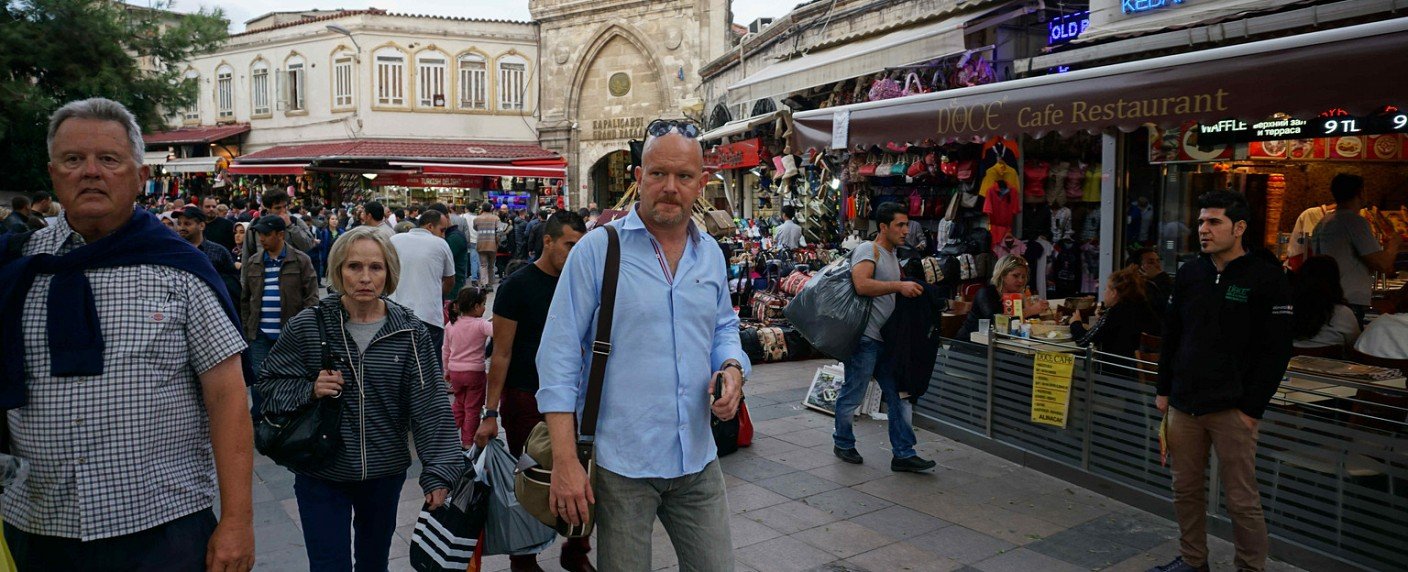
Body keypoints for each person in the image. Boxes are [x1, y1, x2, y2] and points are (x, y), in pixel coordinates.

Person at [0, 97, 253, 569]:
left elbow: (227, 397)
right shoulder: (16, 267)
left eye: (109, 159)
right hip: (35, 524)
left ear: (139, 177)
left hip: (161, 526)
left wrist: (237, 521)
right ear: (53, 174)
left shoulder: (182, 270)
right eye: (74, 160)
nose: (90, 172)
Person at [536, 121, 748, 570]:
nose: (670, 188)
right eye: (658, 174)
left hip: (698, 458)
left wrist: (731, 366)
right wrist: (566, 461)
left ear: (701, 182)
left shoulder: (709, 252)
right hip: (621, 465)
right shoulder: (597, 250)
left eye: (684, 176)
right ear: (638, 177)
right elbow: (555, 359)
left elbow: (724, 327)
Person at [257, 226, 461, 572]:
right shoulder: (309, 326)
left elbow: (430, 405)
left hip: (384, 473)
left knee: (373, 563)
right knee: (328, 565)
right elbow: (268, 387)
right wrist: (310, 388)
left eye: (375, 267)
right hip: (321, 470)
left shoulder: (410, 332)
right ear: (338, 271)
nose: (365, 277)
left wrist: (439, 471)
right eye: (354, 267)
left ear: (389, 273)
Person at [1152, 190, 1293, 572]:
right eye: (1201, 222)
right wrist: (1163, 390)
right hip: (1184, 404)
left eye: (1214, 222)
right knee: (1185, 490)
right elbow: (1173, 334)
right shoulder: (1189, 272)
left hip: (1233, 408)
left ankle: (1250, 568)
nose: (1203, 229)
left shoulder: (1266, 277)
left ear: (1240, 228)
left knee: (1242, 500)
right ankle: (1193, 561)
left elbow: (1277, 350)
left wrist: (1251, 409)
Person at [474, 210, 590, 572]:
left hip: (575, 399)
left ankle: (576, 549)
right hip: (526, 397)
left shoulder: (584, 282)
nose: (576, 253)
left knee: (583, 474)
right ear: (549, 241)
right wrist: (490, 413)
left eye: (581, 246)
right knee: (531, 478)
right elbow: (502, 354)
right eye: (570, 244)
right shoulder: (517, 286)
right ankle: (523, 558)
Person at [832, 202, 937, 472]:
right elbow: (862, 284)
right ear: (883, 227)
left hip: (887, 341)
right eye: (900, 225)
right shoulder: (869, 250)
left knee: (900, 395)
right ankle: (843, 442)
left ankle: (903, 454)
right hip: (865, 339)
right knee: (854, 394)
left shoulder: (892, 254)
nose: (906, 230)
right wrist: (899, 286)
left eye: (907, 224)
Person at [1310, 173, 1401, 325]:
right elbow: (1382, 264)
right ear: (1360, 193)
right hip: (1349, 300)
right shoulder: (1355, 222)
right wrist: (1394, 243)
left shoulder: (1324, 222)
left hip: (1328, 298)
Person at [240, 215, 319, 383]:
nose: (262, 238)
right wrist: (248, 329)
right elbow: (246, 298)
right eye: (260, 234)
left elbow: (312, 298)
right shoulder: (254, 262)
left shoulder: (300, 260)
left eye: (267, 234)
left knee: (290, 382)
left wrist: (302, 328)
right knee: (260, 382)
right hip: (260, 336)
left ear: (281, 234)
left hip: (290, 336)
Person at [388, 210, 455, 364]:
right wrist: (436, 293)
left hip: (395, 315)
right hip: (429, 316)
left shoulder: (394, 240)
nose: (444, 235)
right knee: (429, 366)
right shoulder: (440, 244)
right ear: (430, 226)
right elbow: (450, 280)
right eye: (442, 230)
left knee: (398, 364)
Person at [1068, 266, 1162, 359]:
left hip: (1116, 369)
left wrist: (1075, 323)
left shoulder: (1116, 312)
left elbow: (1084, 340)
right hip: (1144, 369)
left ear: (1114, 293)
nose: (1104, 292)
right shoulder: (1143, 307)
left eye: (1106, 289)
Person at [955, 255, 1052, 340]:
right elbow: (998, 321)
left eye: (1023, 277)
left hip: (1001, 345)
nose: (1021, 281)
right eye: (1016, 276)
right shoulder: (986, 293)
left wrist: (1026, 302)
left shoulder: (1017, 295)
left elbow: (1032, 321)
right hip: (970, 347)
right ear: (1002, 275)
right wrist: (1031, 310)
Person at [443, 286, 493, 449]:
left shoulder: (451, 325)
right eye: (483, 304)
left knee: (459, 404)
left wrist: (447, 370)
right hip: (474, 373)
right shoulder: (481, 325)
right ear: (476, 306)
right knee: (472, 408)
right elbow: (498, 331)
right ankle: (467, 442)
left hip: (456, 372)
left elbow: (446, 350)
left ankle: (446, 435)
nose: (484, 308)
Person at [1290, 255, 1360, 350]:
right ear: (1335, 281)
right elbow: (1355, 345)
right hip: (1332, 363)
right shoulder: (1343, 314)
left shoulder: (1287, 310)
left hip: (1290, 363)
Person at [174, 205, 240, 303]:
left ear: (201, 226)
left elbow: (233, 285)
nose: (182, 228)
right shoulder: (175, 251)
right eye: (179, 223)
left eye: (187, 224)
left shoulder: (218, 251)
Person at [432, 204, 472, 297]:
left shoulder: (454, 237)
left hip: (452, 290)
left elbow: (440, 260)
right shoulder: (450, 235)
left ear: (446, 217)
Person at [1132, 247, 1173, 315]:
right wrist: (1161, 277)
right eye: (1151, 262)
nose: (1157, 265)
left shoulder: (1157, 282)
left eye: (1158, 261)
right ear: (1138, 267)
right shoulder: (1136, 287)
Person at [473, 202, 501, 289]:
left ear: (482, 209)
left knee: (483, 265)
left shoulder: (477, 219)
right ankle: (490, 284)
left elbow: (475, 228)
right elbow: (499, 231)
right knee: (491, 266)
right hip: (492, 245)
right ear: (491, 209)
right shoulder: (496, 218)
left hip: (481, 244)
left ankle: (484, 283)